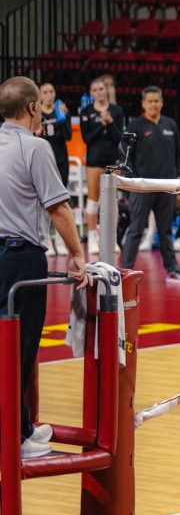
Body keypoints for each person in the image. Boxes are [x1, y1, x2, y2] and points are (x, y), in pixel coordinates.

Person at [0, 76, 92, 458]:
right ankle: (14, 441)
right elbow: (58, 207)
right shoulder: (34, 147)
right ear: (34, 108)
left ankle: (21, 425)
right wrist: (77, 255)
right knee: (19, 349)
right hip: (21, 258)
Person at [119, 86, 180, 284]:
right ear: (143, 103)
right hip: (142, 187)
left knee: (166, 230)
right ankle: (125, 272)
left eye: (156, 101)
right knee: (136, 229)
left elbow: (179, 154)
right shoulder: (135, 125)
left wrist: (177, 181)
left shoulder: (170, 125)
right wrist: (134, 182)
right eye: (149, 101)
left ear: (162, 102)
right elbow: (125, 156)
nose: (153, 104)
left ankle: (173, 270)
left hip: (167, 187)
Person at [80, 76, 124, 254]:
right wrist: (101, 125)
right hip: (94, 161)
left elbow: (119, 138)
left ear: (106, 90)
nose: (99, 92)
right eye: (95, 90)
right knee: (93, 200)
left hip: (112, 160)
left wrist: (110, 122)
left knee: (112, 200)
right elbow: (87, 139)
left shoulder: (116, 110)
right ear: (91, 93)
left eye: (101, 89)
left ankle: (111, 238)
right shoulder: (86, 111)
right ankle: (92, 237)